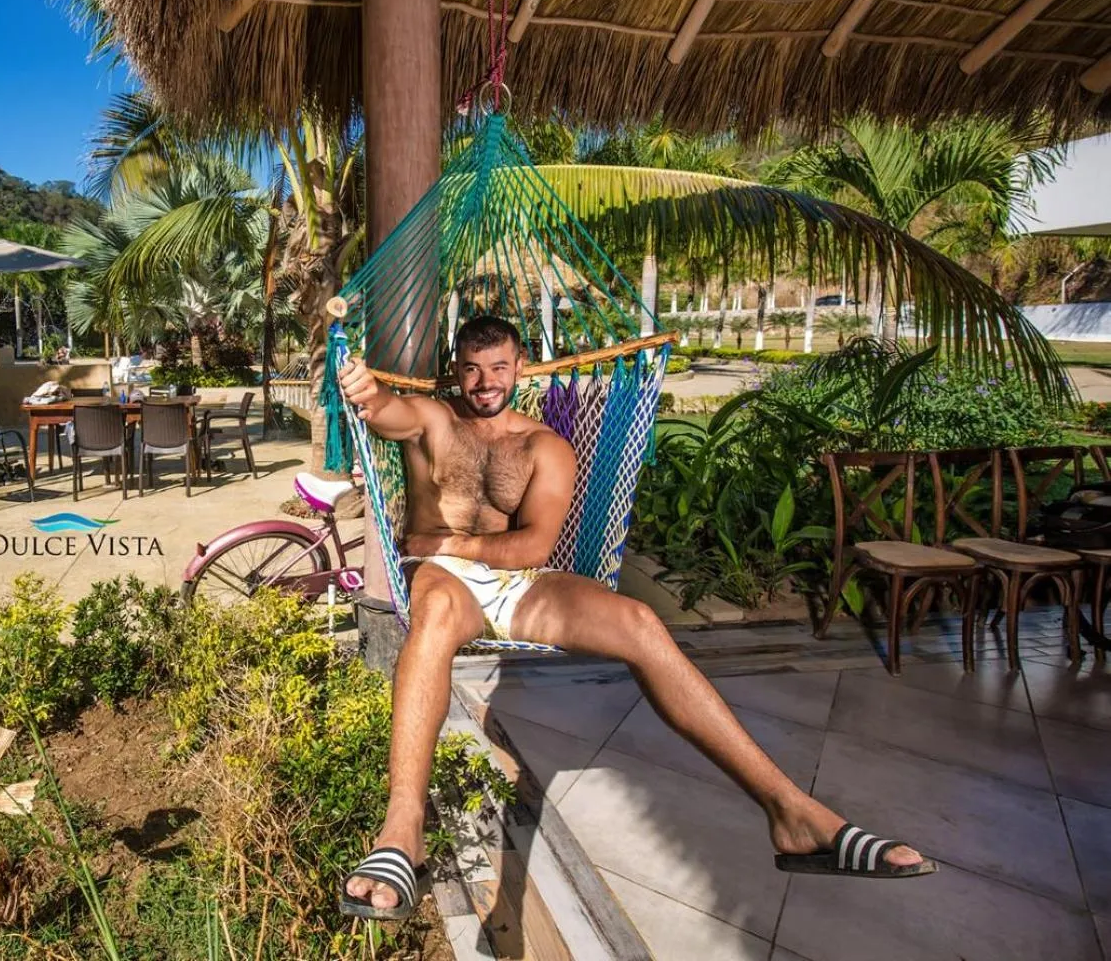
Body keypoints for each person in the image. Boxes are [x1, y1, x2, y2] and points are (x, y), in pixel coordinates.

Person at [337, 315, 935, 922]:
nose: (485, 381)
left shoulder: (545, 447)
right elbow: (389, 409)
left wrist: (448, 544)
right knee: (434, 607)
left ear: (521, 367)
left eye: (498, 367)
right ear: (456, 369)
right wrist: (366, 391)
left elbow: (534, 548)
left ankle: (791, 812)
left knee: (642, 624)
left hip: (510, 578)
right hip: (444, 585)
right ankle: (401, 832)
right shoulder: (436, 420)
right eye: (471, 367)